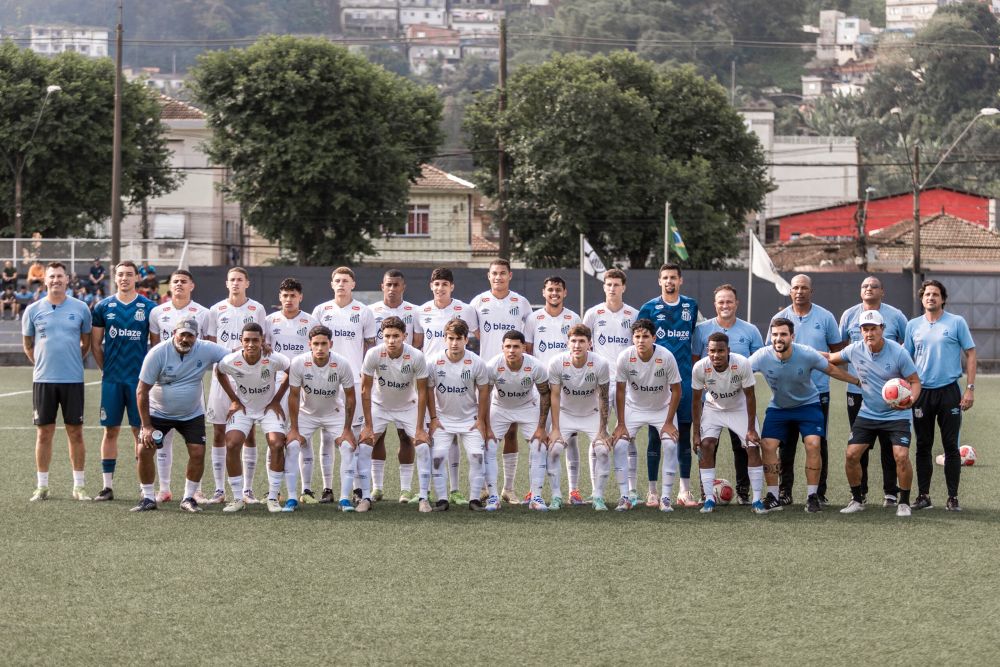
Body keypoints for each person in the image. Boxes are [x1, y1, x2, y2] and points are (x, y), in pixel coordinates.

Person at [749, 318, 859, 513]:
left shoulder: (806, 353)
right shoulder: (761, 356)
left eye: (783, 334)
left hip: (808, 405)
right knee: (767, 445)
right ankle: (773, 496)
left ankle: (812, 496)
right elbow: (740, 374)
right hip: (779, 407)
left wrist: (858, 382)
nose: (778, 338)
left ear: (792, 336)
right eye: (774, 335)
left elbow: (832, 369)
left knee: (813, 444)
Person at [828, 310, 921, 517]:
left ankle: (903, 502)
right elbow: (831, 358)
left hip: (897, 415)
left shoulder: (898, 352)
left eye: (873, 328)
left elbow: (915, 381)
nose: (869, 333)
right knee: (851, 455)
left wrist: (911, 400)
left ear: (882, 329)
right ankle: (857, 499)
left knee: (901, 456)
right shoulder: (855, 349)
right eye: (865, 329)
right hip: (868, 413)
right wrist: (802, 352)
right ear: (860, 331)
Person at [135, 318, 230, 512]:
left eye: (190, 336)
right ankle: (147, 497)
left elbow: (233, 357)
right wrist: (146, 426)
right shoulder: (157, 353)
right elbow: (141, 391)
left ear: (197, 337)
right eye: (182, 334)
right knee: (143, 450)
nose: (186, 339)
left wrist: (257, 349)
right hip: (158, 412)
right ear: (174, 334)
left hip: (191, 413)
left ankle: (188, 498)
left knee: (197, 452)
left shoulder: (206, 348)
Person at [22, 262, 93, 502]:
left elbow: (86, 344)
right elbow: (28, 345)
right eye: (51, 277)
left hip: (73, 379)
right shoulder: (32, 310)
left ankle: (79, 486)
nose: (56, 280)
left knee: (76, 432)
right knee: (44, 433)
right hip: (43, 380)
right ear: (45, 280)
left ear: (67, 280)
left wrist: (71, 360)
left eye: (60, 276)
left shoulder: (81, 308)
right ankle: (42, 486)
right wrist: (42, 363)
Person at [905, 280, 977, 512]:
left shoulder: (956, 322)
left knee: (950, 446)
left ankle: (952, 497)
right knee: (923, 445)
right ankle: (923, 495)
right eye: (927, 294)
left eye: (935, 294)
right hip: (922, 393)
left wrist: (970, 388)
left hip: (949, 392)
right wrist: (905, 389)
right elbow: (905, 359)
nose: (931, 298)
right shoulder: (913, 325)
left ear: (943, 299)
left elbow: (971, 353)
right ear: (922, 298)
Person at [773, 274, 844, 506]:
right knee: (786, 445)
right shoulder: (780, 318)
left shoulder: (825, 317)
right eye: (795, 288)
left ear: (811, 291)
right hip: (786, 393)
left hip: (818, 392)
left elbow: (837, 354)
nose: (800, 291)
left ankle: (818, 492)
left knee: (817, 443)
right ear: (790, 291)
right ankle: (785, 491)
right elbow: (772, 352)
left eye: (804, 288)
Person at [838, 276, 909, 507]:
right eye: (864, 286)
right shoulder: (849, 314)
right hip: (857, 391)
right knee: (860, 445)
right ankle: (860, 495)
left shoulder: (896, 315)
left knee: (891, 447)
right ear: (860, 292)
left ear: (883, 291)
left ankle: (891, 493)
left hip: (889, 395)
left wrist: (900, 388)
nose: (869, 289)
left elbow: (906, 347)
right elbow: (841, 350)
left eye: (874, 286)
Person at [90, 261, 157, 501]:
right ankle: (107, 486)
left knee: (140, 433)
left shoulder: (149, 307)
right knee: (110, 431)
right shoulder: (103, 306)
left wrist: (150, 377)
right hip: (113, 380)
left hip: (139, 382)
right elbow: (95, 345)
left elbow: (156, 347)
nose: (125, 278)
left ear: (136, 278)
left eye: (129, 274)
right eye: (121, 275)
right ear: (115, 277)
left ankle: (144, 488)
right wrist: (105, 368)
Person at [692, 284, 764, 505]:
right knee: (706, 446)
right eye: (721, 301)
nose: (725, 305)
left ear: (736, 303)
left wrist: (751, 428)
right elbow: (696, 363)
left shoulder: (750, 331)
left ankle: (750, 496)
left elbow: (757, 366)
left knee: (748, 446)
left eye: (729, 301)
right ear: (715, 305)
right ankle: (707, 497)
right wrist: (696, 432)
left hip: (739, 402)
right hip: (713, 404)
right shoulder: (702, 331)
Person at [311, 266, 377, 503]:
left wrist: (365, 374)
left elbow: (369, 345)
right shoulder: (321, 310)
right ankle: (328, 488)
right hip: (325, 380)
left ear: (353, 284)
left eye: (345, 280)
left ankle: (359, 488)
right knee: (327, 436)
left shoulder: (363, 311)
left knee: (355, 434)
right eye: (337, 280)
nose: (341, 284)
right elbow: (314, 344)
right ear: (332, 284)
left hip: (354, 380)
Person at [637, 263, 699, 508]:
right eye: (665, 278)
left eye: (673, 277)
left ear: (680, 280)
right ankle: (652, 491)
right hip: (656, 382)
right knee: (655, 437)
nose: (669, 281)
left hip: (683, 380)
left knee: (682, 436)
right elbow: (641, 342)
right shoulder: (648, 308)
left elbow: (691, 335)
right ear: (659, 281)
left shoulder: (691, 306)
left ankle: (684, 491)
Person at [204, 267, 268, 505]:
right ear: (226, 283)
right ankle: (219, 490)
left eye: (240, 280)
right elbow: (211, 342)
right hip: (222, 377)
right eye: (232, 280)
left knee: (248, 430)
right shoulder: (216, 310)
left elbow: (264, 341)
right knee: (219, 431)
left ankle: (247, 490)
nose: (235, 283)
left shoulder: (257, 309)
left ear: (247, 283)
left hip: (248, 377)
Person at [470, 258, 531, 503]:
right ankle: (487, 486)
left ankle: (509, 487)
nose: (498, 277)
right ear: (488, 276)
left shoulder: (521, 303)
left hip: (514, 373)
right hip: (486, 372)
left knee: (512, 431)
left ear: (510, 275)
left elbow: (526, 338)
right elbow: (476, 334)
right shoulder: (478, 302)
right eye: (494, 273)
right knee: (484, 429)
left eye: (502, 273)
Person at [148, 269, 212, 502]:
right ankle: (164, 489)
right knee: (162, 438)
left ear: (192, 286)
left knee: (196, 440)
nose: (179, 285)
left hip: (192, 382)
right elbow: (154, 346)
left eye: (184, 282)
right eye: (175, 282)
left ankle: (197, 490)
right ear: (169, 286)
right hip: (163, 382)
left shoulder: (203, 313)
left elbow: (208, 346)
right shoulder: (157, 312)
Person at [215, 323, 292, 513]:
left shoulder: (273, 358)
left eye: (255, 340)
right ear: (241, 341)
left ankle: (273, 498)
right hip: (244, 408)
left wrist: (276, 400)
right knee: (232, 444)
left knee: (276, 444)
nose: (250, 344)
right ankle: (238, 498)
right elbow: (219, 372)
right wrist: (234, 400)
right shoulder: (231, 360)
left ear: (262, 341)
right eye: (247, 340)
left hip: (268, 408)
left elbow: (291, 371)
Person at [418, 267, 479, 505]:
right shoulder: (421, 311)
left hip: (459, 374)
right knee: (436, 435)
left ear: (451, 286)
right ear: (431, 286)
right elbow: (418, 342)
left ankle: (455, 489)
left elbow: (476, 336)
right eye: (436, 284)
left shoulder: (465, 310)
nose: (440, 287)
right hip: (431, 375)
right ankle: (428, 489)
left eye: (445, 284)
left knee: (455, 435)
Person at [359, 316, 432, 512]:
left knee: (423, 447)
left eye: (396, 336)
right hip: (379, 406)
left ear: (405, 336)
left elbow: (423, 390)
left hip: (408, 407)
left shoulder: (416, 356)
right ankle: (366, 496)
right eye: (387, 336)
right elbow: (365, 390)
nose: (391, 340)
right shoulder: (373, 354)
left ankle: (423, 497)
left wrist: (419, 428)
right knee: (365, 446)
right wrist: (367, 425)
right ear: (382, 336)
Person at [523, 275, 583, 504]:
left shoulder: (573, 318)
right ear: (543, 292)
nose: (554, 293)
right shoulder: (533, 319)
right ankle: (533, 488)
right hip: (540, 388)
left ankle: (573, 490)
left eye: (558, 289)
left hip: (566, 387)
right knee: (537, 437)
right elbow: (528, 352)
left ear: (565, 292)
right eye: (550, 290)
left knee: (570, 438)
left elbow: (578, 351)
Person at [612, 319, 682, 512]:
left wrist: (668, 422)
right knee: (619, 445)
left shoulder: (666, 357)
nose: (641, 340)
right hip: (634, 408)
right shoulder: (625, 357)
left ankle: (666, 497)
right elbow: (620, 391)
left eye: (645, 336)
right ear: (632, 338)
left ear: (654, 337)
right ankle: (624, 496)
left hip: (661, 410)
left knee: (669, 444)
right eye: (637, 336)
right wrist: (621, 423)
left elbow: (676, 390)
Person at [286, 326, 358, 512]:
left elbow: (350, 396)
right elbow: (293, 396)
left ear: (331, 344)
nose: (319, 348)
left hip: (333, 413)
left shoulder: (342, 363)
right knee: (292, 445)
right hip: (306, 414)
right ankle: (292, 498)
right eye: (316, 344)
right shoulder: (298, 362)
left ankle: (344, 499)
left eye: (324, 344)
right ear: (309, 344)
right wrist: (293, 429)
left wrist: (347, 429)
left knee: (349, 447)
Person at [367, 270, 424, 501]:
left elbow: (418, 341)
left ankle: (405, 488)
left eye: (396, 285)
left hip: (406, 380)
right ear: (382, 286)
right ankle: (377, 487)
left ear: (404, 286)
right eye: (388, 284)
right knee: (376, 438)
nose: (392, 288)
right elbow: (370, 341)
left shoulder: (414, 311)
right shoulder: (371, 311)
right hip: (381, 383)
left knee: (404, 436)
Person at [426, 319, 491, 512]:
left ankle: (475, 500)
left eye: (458, 339)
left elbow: (484, 392)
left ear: (466, 340)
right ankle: (442, 500)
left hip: (469, 420)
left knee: (477, 456)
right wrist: (433, 419)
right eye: (450, 338)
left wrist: (480, 420)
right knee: (437, 458)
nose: (454, 343)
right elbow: (429, 391)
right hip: (443, 420)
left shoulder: (477, 363)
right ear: (444, 339)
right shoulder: (433, 362)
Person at [581, 268, 636, 500]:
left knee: (629, 436)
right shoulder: (593, 314)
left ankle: (632, 491)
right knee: (597, 435)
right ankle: (596, 492)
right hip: (600, 383)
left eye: (616, 284)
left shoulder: (634, 314)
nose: (612, 288)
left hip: (627, 383)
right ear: (604, 287)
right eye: (608, 284)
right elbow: (585, 348)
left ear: (623, 287)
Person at [547, 325, 613, 511]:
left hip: (591, 414)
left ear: (589, 344)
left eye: (582, 341)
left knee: (602, 450)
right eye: (574, 341)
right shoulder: (557, 362)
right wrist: (555, 429)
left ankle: (598, 496)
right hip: (566, 414)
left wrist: (602, 430)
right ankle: (556, 496)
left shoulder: (600, 364)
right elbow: (555, 396)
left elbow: (604, 396)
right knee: (553, 449)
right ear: (568, 343)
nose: (577, 345)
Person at [265, 278, 319, 501]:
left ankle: (306, 489)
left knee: (303, 437)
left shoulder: (311, 321)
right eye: (285, 296)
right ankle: (274, 490)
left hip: (306, 384)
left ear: (300, 297)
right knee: (275, 437)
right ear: (280, 297)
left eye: (293, 296)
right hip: (278, 385)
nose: (289, 300)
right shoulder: (269, 321)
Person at [485, 331, 550, 511]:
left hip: (527, 407)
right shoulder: (492, 366)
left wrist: (541, 427)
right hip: (500, 407)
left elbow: (545, 393)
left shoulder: (535, 366)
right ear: (502, 348)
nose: (511, 350)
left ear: (524, 348)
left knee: (539, 446)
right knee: (489, 445)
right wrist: (486, 426)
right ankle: (492, 497)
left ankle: (536, 497)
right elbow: (484, 395)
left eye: (516, 346)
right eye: (508, 346)